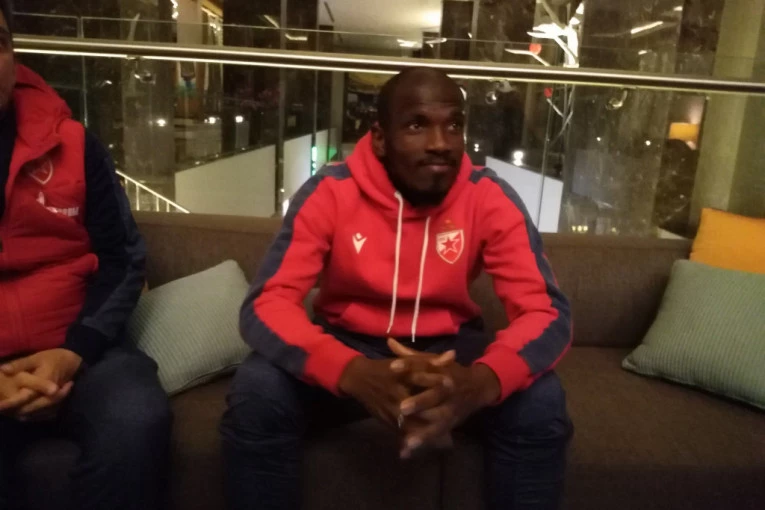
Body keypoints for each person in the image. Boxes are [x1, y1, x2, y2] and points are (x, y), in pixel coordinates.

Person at [221, 67, 573, 510]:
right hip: (350, 345)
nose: (441, 142)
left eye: (453, 125)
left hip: (451, 352)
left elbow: (546, 313)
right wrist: (350, 371)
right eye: (416, 125)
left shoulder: (489, 196)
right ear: (380, 139)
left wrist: (480, 383)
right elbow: (266, 304)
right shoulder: (329, 191)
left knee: (542, 402)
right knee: (257, 391)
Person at [0, 2, 171, 509]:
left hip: (83, 352)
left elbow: (123, 259)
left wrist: (72, 353)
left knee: (137, 419)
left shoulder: (73, 142)